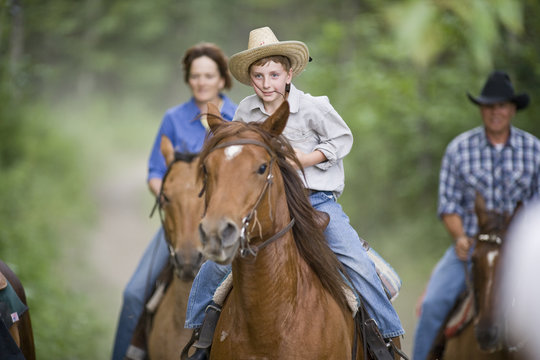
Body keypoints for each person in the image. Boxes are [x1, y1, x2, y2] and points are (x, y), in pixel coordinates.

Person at [184, 26, 404, 360]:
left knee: (356, 262)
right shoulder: (245, 111)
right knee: (214, 265)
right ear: (250, 80)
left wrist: (306, 158)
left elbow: (342, 139)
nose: (266, 83)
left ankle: (384, 339)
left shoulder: (313, 107)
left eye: (273, 74)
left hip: (315, 200)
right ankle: (200, 339)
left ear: (289, 74)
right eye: (258, 76)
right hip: (266, 204)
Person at [111, 42, 237, 360]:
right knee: (134, 293)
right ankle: (129, 352)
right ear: (188, 80)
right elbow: (155, 171)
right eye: (195, 76)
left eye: (209, 75)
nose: (202, 82)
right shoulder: (174, 118)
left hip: (221, 223)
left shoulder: (237, 116)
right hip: (178, 220)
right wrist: (171, 198)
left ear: (222, 79)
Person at [413, 70, 540, 360]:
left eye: (501, 106)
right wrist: (459, 237)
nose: (495, 112)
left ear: (512, 109)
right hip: (472, 248)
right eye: (489, 106)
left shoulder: (534, 151)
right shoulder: (459, 149)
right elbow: (448, 205)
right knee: (433, 304)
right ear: (482, 110)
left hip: (524, 253)